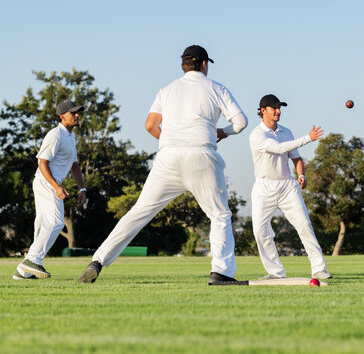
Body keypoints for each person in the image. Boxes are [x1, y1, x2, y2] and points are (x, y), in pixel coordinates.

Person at [78, 45, 248, 284]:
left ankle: (97, 261)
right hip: (201, 155)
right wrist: (224, 131)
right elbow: (241, 122)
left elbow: (150, 125)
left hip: (167, 158)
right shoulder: (216, 88)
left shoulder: (167, 90)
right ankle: (220, 273)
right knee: (219, 215)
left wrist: (172, 140)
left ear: (184, 65)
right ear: (203, 64)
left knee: (138, 212)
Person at [249, 94, 331, 280]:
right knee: (260, 232)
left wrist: (301, 174)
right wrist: (307, 138)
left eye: (280, 108)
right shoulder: (257, 135)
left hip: (287, 186)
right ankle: (276, 272)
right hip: (264, 186)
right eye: (274, 108)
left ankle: (318, 268)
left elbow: (296, 157)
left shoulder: (286, 131)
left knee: (304, 225)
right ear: (263, 111)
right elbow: (279, 148)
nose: (278, 111)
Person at [13, 100, 87, 280]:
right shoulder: (55, 135)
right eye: (73, 113)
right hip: (47, 182)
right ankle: (31, 260)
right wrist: (57, 187)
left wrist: (82, 189)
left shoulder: (70, 137)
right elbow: (42, 162)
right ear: (62, 116)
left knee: (42, 226)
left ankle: (23, 272)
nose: (77, 115)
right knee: (55, 223)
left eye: (78, 113)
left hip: (50, 184)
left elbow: (75, 166)